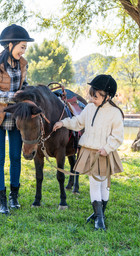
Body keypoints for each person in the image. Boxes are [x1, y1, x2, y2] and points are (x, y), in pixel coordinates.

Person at [53, 74, 124, 231]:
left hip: (104, 153)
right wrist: (63, 123)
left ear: (108, 96)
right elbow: (78, 123)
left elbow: (118, 136)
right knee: (94, 183)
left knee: (104, 185)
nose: (92, 100)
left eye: (96, 97)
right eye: (91, 96)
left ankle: (100, 216)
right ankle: (99, 217)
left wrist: (107, 148)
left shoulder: (115, 113)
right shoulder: (90, 108)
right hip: (89, 151)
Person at [0, 24, 34, 215]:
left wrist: (29, 93)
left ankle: (14, 196)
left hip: (16, 117)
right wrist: (16, 96)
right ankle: (1, 200)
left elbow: (24, 84)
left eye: (25, 48)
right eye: (22, 47)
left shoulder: (23, 64)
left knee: (15, 157)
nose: (23, 51)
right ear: (10, 45)